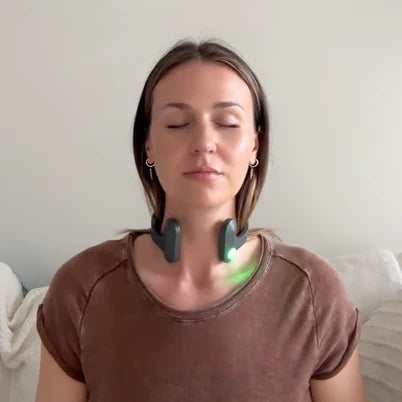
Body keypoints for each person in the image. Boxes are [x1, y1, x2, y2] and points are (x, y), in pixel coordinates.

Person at [35, 38, 368, 401]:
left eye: (227, 123)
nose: (204, 142)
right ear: (147, 145)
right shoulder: (81, 289)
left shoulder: (312, 292)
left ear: (255, 145)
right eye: (178, 124)